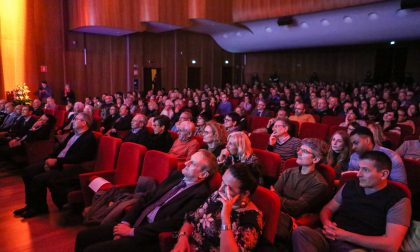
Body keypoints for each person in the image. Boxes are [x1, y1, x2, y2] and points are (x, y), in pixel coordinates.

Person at [75, 150, 218, 252]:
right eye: (189, 159)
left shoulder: (200, 194)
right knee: (83, 236)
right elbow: (146, 198)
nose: (186, 163)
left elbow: (173, 223)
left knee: (92, 250)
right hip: (136, 221)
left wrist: (132, 232)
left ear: (203, 174)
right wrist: (125, 223)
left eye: (192, 163)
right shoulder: (176, 176)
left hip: (149, 235)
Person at [292, 151, 411, 252]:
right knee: (301, 232)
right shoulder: (351, 185)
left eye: (365, 170)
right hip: (331, 236)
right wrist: (327, 223)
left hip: (357, 246)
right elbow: (328, 209)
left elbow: (391, 244)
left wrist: (345, 235)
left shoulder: (398, 199)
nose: (358, 174)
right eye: (359, 168)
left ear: (383, 174)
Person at [14, 112, 97, 218]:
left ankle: (38, 208)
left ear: (84, 123)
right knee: (27, 171)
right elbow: (59, 149)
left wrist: (56, 162)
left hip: (67, 167)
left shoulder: (89, 138)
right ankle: (30, 205)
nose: (73, 121)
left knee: (38, 179)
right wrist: (48, 159)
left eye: (76, 119)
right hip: (57, 161)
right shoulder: (73, 133)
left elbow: (78, 158)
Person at [172, 163, 263, 252]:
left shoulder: (251, 221)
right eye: (222, 182)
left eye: (228, 188)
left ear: (245, 194)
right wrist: (182, 238)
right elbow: (192, 219)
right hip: (188, 245)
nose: (220, 189)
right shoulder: (218, 195)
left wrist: (225, 217)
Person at [272, 138, 330, 241]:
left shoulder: (319, 184)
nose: (298, 152)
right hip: (277, 212)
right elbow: (273, 197)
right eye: (300, 149)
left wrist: (277, 198)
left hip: (293, 221)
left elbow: (296, 208)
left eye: (304, 151)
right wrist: (276, 197)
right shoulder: (288, 172)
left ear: (315, 159)